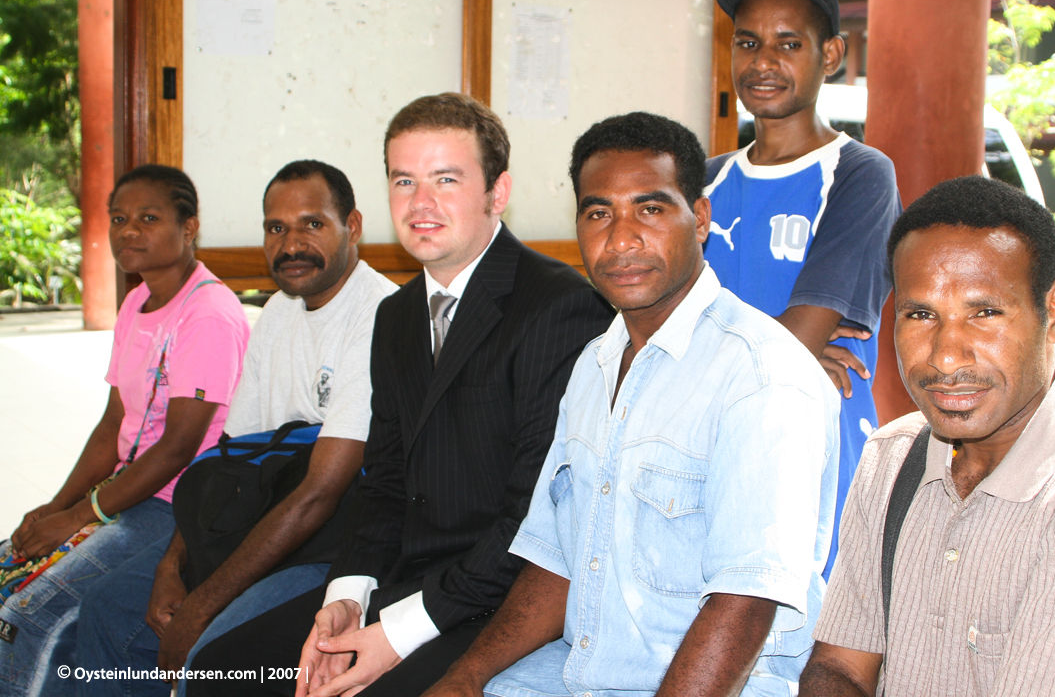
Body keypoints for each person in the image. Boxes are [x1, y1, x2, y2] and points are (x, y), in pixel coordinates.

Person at [187, 93, 614, 697]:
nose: (421, 203)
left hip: (500, 599)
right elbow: (384, 484)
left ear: (497, 192)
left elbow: (534, 519)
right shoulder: (395, 315)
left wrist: (394, 634)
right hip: (402, 580)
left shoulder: (560, 306)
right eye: (404, 180)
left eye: (447, 179)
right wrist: (346, 599)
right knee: (221, 674)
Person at [422, 111, 839, 697]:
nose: (621, 240)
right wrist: (464, 678)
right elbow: (555, 559)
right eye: (599, 214)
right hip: (583, 672)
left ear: (699, 219)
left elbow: (745, 601)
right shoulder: (594, 364)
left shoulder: (761, 374)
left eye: (650, 209)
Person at [799, 176, 1055, 697]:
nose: (945, 355)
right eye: (920, 314)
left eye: (984, 313)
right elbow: (842, 669)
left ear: (1054, 313)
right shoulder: (892, 459)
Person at [75, 160, 397, 695]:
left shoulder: (382, 315)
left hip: (331, 543)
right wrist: (172, 563)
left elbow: (319, 495)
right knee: (106, 608)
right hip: (261, 519)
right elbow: (226, 459)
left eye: (312, 224)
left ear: (354, 227)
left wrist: (203, 602)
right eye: (276, 228)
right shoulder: (277, 311)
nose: (291, 243)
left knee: (212, 656)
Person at [0, 165, 250, 697]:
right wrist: (55, 507)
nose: (128, 231)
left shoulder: (208, 314)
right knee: (6, 572)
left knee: (29, 613)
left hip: (174, 503)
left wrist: (78, 516)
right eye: (119, 218)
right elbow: (114, 422)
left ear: (189, 229)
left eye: (148, 218)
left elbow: (179, 447)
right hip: (125, 491)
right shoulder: (138, 300)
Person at [703, 0, 902, 576]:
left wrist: (776, 354)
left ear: (831, 54)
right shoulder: (703, 180)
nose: (764, 61)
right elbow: (649, 329)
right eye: (748, 42)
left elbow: (806, 331)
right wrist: (782, 356)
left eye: (789, 43)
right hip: (705, 442)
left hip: (815, 441)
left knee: (808, 638)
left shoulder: (861, 175)